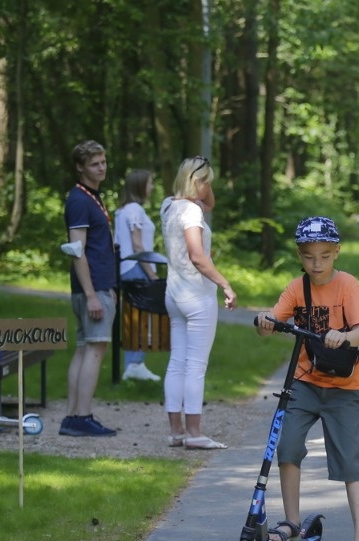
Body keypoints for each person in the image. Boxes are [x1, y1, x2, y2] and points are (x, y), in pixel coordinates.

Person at [255, 216, 359, 541]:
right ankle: (292, 524)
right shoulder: (296, 289)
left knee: (350, 460)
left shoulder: (347, 286)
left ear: (336, 252)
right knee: (287, 446)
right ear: (300, 256)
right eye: (309, 257)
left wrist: (344, 335)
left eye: (325, 256)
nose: (317, 264)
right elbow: (274, 323)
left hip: (343, 386)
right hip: (305, 383)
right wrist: (265, 322)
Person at [160, 156, 236, 450]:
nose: (209, 189)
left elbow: (211, 204)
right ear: (197, 182)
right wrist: (225, 284)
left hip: (174, 295)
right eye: (207, 182)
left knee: (177, 362)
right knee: (195, 366)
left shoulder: (169, 206)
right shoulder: (192, 212)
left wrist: (201, 184)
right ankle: (194, 433)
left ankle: (176, 431)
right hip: (197, 296)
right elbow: (197, 256)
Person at [61, 140, 118, 437]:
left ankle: (72, 416)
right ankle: (82, 415)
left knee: (84, 349)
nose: (101, 167)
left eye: (103, 161)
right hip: (93, 288)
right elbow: (76, 250)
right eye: (95, 163)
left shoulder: (90, 197)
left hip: (95, 286)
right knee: (95, 349)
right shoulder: (80, 201)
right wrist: (93, 294)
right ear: (80, 167)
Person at [114, 168, 161, 382]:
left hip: (127, 268)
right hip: (136, 268)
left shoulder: (126, 209)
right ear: (141, 185)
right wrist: (151, 273)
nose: (152, 187)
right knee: (141, 319)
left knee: (135, 319)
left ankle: (134, 363)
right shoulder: (134, 210)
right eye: (150, 182)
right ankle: (134, 364)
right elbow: (137, 244)